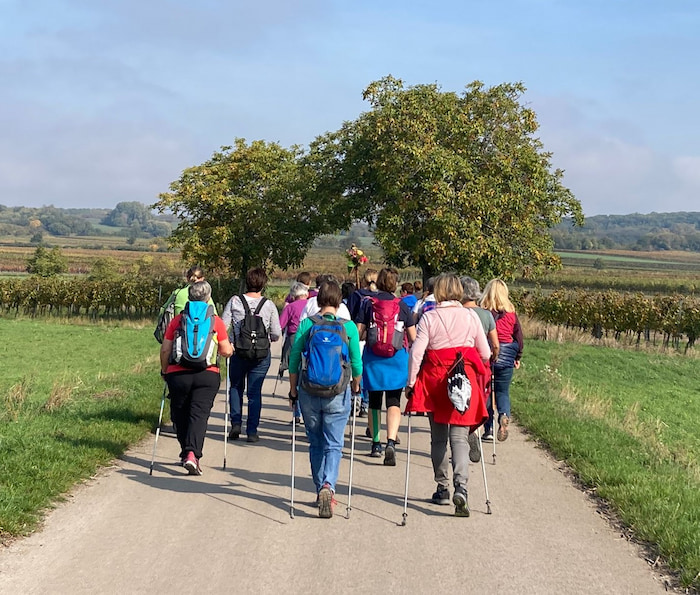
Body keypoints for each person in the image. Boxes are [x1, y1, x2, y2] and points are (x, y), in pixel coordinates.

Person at [406, 273, 490, 517]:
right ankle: (461, 486)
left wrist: (411, 383)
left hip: (435, 382)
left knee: (438, 438)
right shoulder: (470, 316)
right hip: (463, 382)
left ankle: (442, 488)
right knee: (460, 438)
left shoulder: (429, 317)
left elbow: (416, 353)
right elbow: (484, 353)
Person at [288, 280, 362, 518]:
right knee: (334, 443)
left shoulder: (307, 325)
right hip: (337, 392)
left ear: (318, 301)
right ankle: (328, 485)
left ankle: (319, 486)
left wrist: (293, 390)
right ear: (339, 302)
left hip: (309, 391)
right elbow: (356, 362)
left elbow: (294, 360)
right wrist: (356, 384)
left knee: (316, 442)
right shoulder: (348, 327)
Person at [160, 281, 233, 475]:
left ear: (189, 297)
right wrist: (230, 350)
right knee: (199, 415)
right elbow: (225, 350)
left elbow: (166, 348)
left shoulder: (178, 319)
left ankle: (186, 451)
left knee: (179, 414)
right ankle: (192, 454)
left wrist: (165, 370)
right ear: (208, 297)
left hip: (178, 373)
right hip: (207, 374)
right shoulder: (215, 320)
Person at [356, 267, 416, 464]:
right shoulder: (403, 306)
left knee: (374, 401)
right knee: (393, 401)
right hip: (396, 358)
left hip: (374, 357)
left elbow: (358, 332)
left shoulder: (368, 304)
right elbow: (413, 336)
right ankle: (391, 441)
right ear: (395, 284)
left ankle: (376, 444)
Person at [222, 267, 282, 443]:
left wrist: (231, 342)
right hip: (261, 355)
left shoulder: (235, 301)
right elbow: (277, 333)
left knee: (236, 387)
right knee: (254, 392)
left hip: (239, 351)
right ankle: (252, 431)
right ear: (263, 284)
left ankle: (235, 424)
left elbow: (223, 325)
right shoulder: (269, 305)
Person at [479, 279, 523, 443]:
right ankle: (504, 415)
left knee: (487, 391)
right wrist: (517, 356)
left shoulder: (484, 311)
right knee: (502, 391)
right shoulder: (511, 311)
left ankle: (488, 428)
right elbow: (518, 336)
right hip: (507, 354)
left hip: (489, 352)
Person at [279, 281, 309, 423]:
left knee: (294, 373)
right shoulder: (311, 305)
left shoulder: (290, 307)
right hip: (309, 339)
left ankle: (297, 413)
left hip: (293, 339)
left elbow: (280, 325)